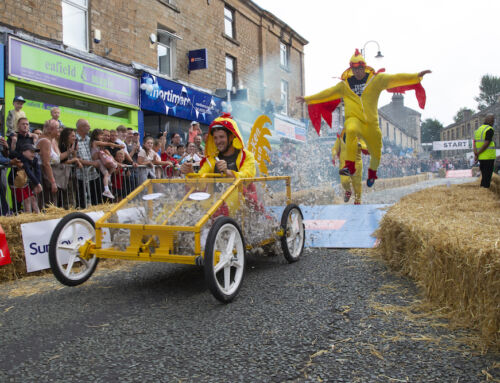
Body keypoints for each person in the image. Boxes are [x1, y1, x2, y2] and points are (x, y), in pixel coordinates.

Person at [297, 49, 431, 187]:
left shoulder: (376, 80)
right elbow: (327, 93)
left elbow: (395, 78)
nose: (357, 72)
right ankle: (350, 166)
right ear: (351, 69)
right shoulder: (344, 85)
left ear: (364, 67)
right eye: (354, 69)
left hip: (371, 124)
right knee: (350, 128)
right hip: (354, 119)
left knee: (376, 152)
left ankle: (372, 173)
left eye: (360, 68)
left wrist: (415, 76)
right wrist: (308, 98)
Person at [332, 128, 368, 205]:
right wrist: (334, 154)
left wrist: (360, 145)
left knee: (357, 184)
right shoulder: (340, 136)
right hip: (344, 164)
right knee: (344, 181)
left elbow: (365, 146)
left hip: (356, 164)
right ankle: (348, 191)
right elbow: (335, 148)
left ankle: (358, 200)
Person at [75, 119, 104, 208]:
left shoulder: (89, 140)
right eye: (88, 126)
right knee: (82, 201)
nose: (90, 128)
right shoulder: (74, 140)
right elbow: (75, 158)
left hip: (93, 174)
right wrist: (92, 163)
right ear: (81, 127)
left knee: (97, 199)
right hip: (80, 175)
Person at [90, 129, 120, 199]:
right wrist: (118, 146)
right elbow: (108, 144)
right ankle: (106, 188)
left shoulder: (99, 144)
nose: (102, 136)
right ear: (96, 135)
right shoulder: (95, 142)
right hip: (97, 161)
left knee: (112, 167)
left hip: (99, 160)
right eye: (101, 135)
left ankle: (107, 183)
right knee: (106, 173)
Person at [36, 119, 61, 206]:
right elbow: (46, 163)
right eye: (57, 128)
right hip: (44, 175)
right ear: (50, 129)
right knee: (47, 202)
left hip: (45, 174)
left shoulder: (48, 140)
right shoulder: (45, 141)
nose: (59, 130)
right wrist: (53, 182)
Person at [15, 143, 42, 213]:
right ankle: (28, 220)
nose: (33, 154)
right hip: (16, 183)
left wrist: (37, 183)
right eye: (31, 152)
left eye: (34, 152)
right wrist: (38, 184)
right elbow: (28, 171)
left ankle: (39, 217)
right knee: (26, 200)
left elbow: (38, 171)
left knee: (33, 199)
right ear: (23, 152)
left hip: (24, 183)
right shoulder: (21, 159)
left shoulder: (34, 159)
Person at [473, 114, 496, 188]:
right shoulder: (489, 129)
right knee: (487, 177)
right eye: (493, 121)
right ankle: (484, 190)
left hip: (481, 158)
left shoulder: (478, 130)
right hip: (488, 157)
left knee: (484, 176)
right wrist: (478, 153)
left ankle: (483, 190)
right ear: (491, 121)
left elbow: (475, 143)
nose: (493, 122)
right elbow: (486, 143)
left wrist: (476, 155)